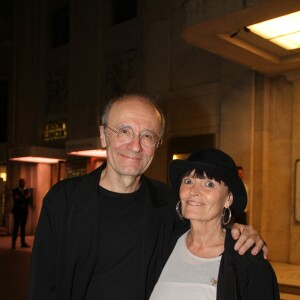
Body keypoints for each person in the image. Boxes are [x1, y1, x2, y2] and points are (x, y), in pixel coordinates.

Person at [28, 94, 266, 300]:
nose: (135, 145)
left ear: (157, 144)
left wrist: (240, 231)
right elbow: (42, 287)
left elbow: (206, 222)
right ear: (103, 135)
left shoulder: (168, 203)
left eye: (148, 136)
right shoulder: (63, 201)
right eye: (124, 131)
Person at [150, 148, 279, 300]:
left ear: (228, 199)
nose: (194, 191)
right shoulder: (162, 243)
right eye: (188, 181)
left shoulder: (247, 259)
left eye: (209, 184)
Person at [11, 178, 32, 249]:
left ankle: (23, 243)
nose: (23, 184)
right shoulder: (15, 190)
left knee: (23, 227)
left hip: (24, 212)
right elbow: (17, 199)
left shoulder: (27, 190)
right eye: (22, 182)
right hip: (17, 211)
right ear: (19, 183)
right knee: (16, 227)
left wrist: (23, 198)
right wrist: (25, 197)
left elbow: (29, 200)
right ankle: (13, 243)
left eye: (24, 182)